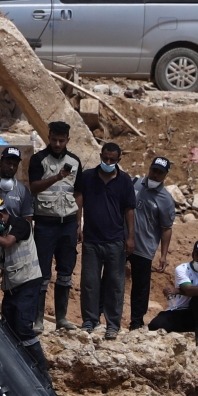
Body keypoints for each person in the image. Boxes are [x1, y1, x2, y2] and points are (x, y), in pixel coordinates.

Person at [0, 197, 49, 375]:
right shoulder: (1, 233)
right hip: (12, 288)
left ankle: (41, 372)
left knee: (23, 327)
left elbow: (8, 243)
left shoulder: (21, 225)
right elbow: (1, 263)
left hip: (28, 283)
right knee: (7, 329)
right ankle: (19, 370)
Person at [75, 142, 136, 338]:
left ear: (119, 159)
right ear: (100, 155)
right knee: (90, 282)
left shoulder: (125, 180)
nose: (108, 162)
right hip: (92, 240)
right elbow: (79, 199)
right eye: (105, 158)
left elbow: (129, 209)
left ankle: (112, 324)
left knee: (115, 284)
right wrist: (78, 224)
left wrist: (131, 237)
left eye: (112, 159)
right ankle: (90, 320)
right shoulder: (88, 177)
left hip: (115, 240)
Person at [29, 121, 83, 333]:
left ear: (68, 140)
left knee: (65, 272)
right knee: (42, 274)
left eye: (62, 140)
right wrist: (56, 177)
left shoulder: (75, 162)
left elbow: (78, 194)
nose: (58, 144)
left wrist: (78, 223)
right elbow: (33, 187)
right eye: (54, 140)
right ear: (48, 138)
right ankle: (38, 319)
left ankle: (61, 318)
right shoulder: (38, 159)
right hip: (45, 224)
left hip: (68, 224)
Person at [129, 157, 177, 330]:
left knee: (140, 287)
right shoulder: (134, 184)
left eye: (160, 172)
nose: (155, 175)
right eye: (154, 170)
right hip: (124, 243)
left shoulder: (165, 200)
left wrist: (163, 255)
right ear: (149, 169)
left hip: (144, 248)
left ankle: (136, 322)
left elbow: (166, 228)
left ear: (165, 175)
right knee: (113, 280)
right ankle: (102, 314)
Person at [149, 240, 198, 346]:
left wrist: (177, 291)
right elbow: (189, 290)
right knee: (155, 325)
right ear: (193, 255)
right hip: (179, 309)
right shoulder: (182, 269)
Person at [0, 146, 34, 222]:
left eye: (15, 165)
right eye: (8, 163)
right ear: (0, 163)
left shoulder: (23, 191)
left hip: (13, 232)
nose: (11, 167)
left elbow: (27, 221)